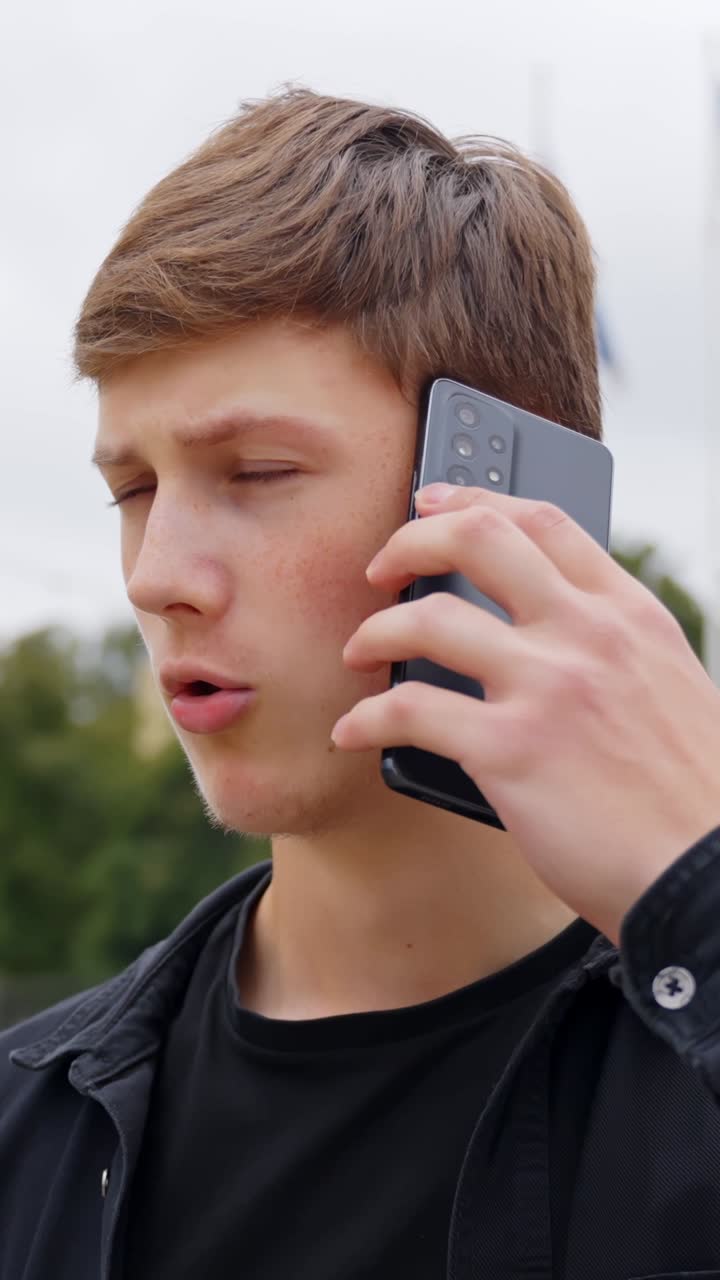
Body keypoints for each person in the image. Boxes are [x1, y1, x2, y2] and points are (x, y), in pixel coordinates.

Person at [2, 87, 720, 1280]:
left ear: (507, 497)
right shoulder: (27, 1131)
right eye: (133, 489)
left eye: (257, 470)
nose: (157, 575)